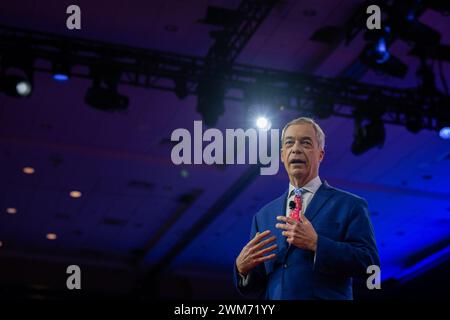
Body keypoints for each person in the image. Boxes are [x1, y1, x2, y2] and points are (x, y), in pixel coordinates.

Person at [234, 117, 379, 300]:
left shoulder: (349, 205)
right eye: (289, 143)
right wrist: (242, 270)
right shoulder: (263, 216)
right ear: (282, 155)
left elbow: (371, 266)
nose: (296, 149)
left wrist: (317, 244)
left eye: (305, 142)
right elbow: (256, 287)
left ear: (320, 154)